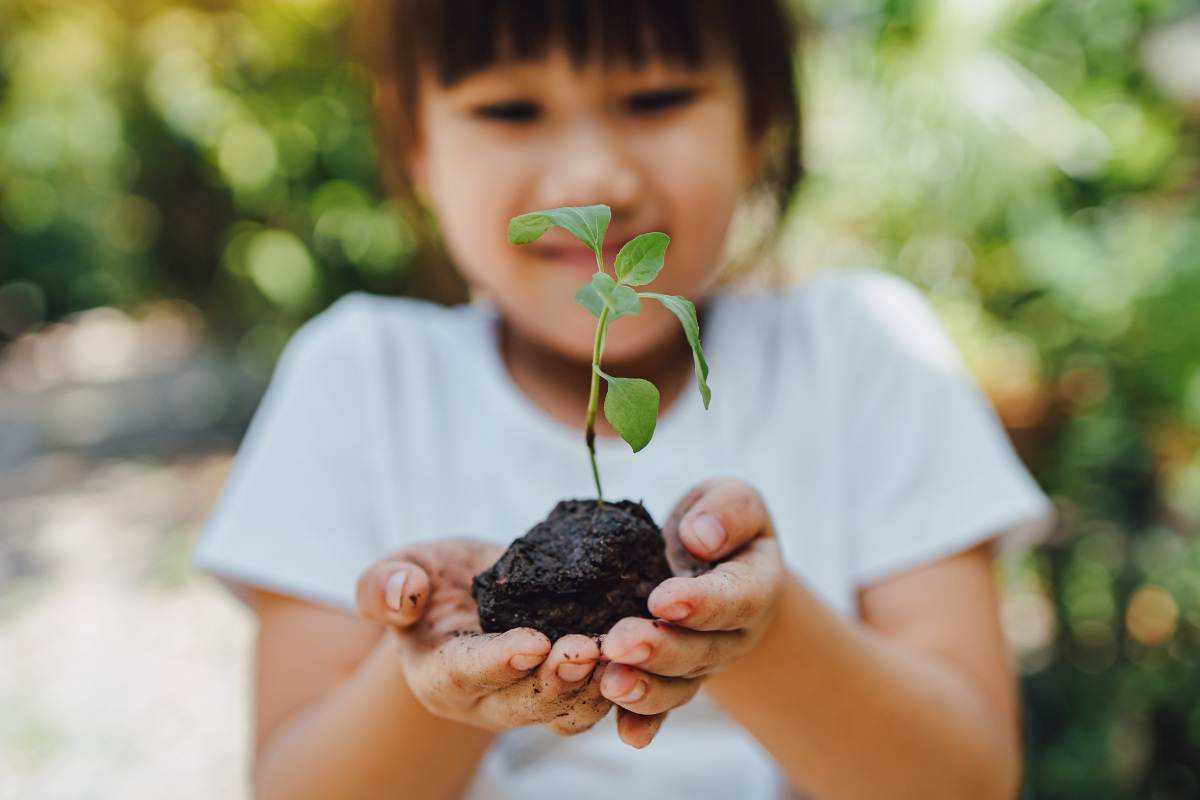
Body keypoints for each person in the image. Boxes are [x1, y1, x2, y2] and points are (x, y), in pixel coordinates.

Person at [192, 1, 1054, 798]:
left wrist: (751, 628)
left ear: (759, 117)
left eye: (657, 98)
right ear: (415, 139)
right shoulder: (361, 377)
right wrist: (444, 680)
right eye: (511, 110)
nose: (593, 178)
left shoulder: (864, 350)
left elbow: (966, 779)